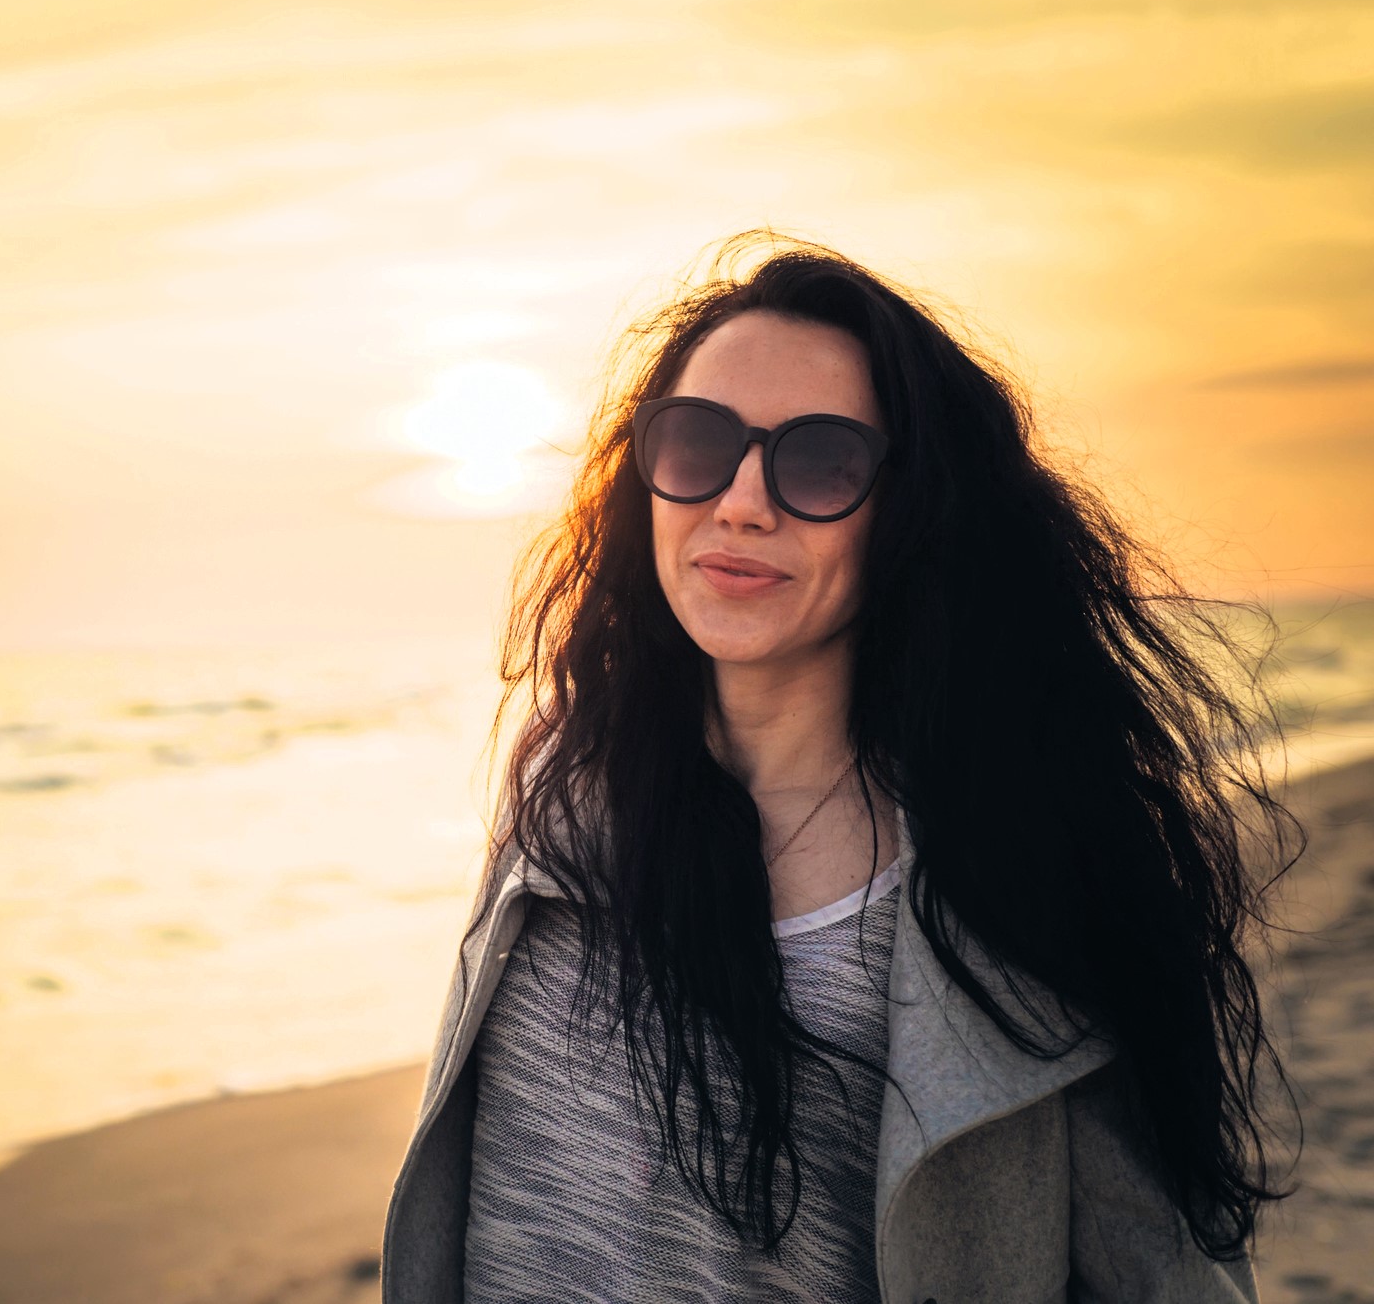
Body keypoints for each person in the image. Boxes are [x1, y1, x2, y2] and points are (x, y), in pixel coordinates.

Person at [380, 234, 1305, 1303]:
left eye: (817, 461)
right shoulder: (561, 779)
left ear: (912, 514)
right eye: (694, 444)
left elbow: (1161, 1273)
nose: (738, 501)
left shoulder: (1016, 870)